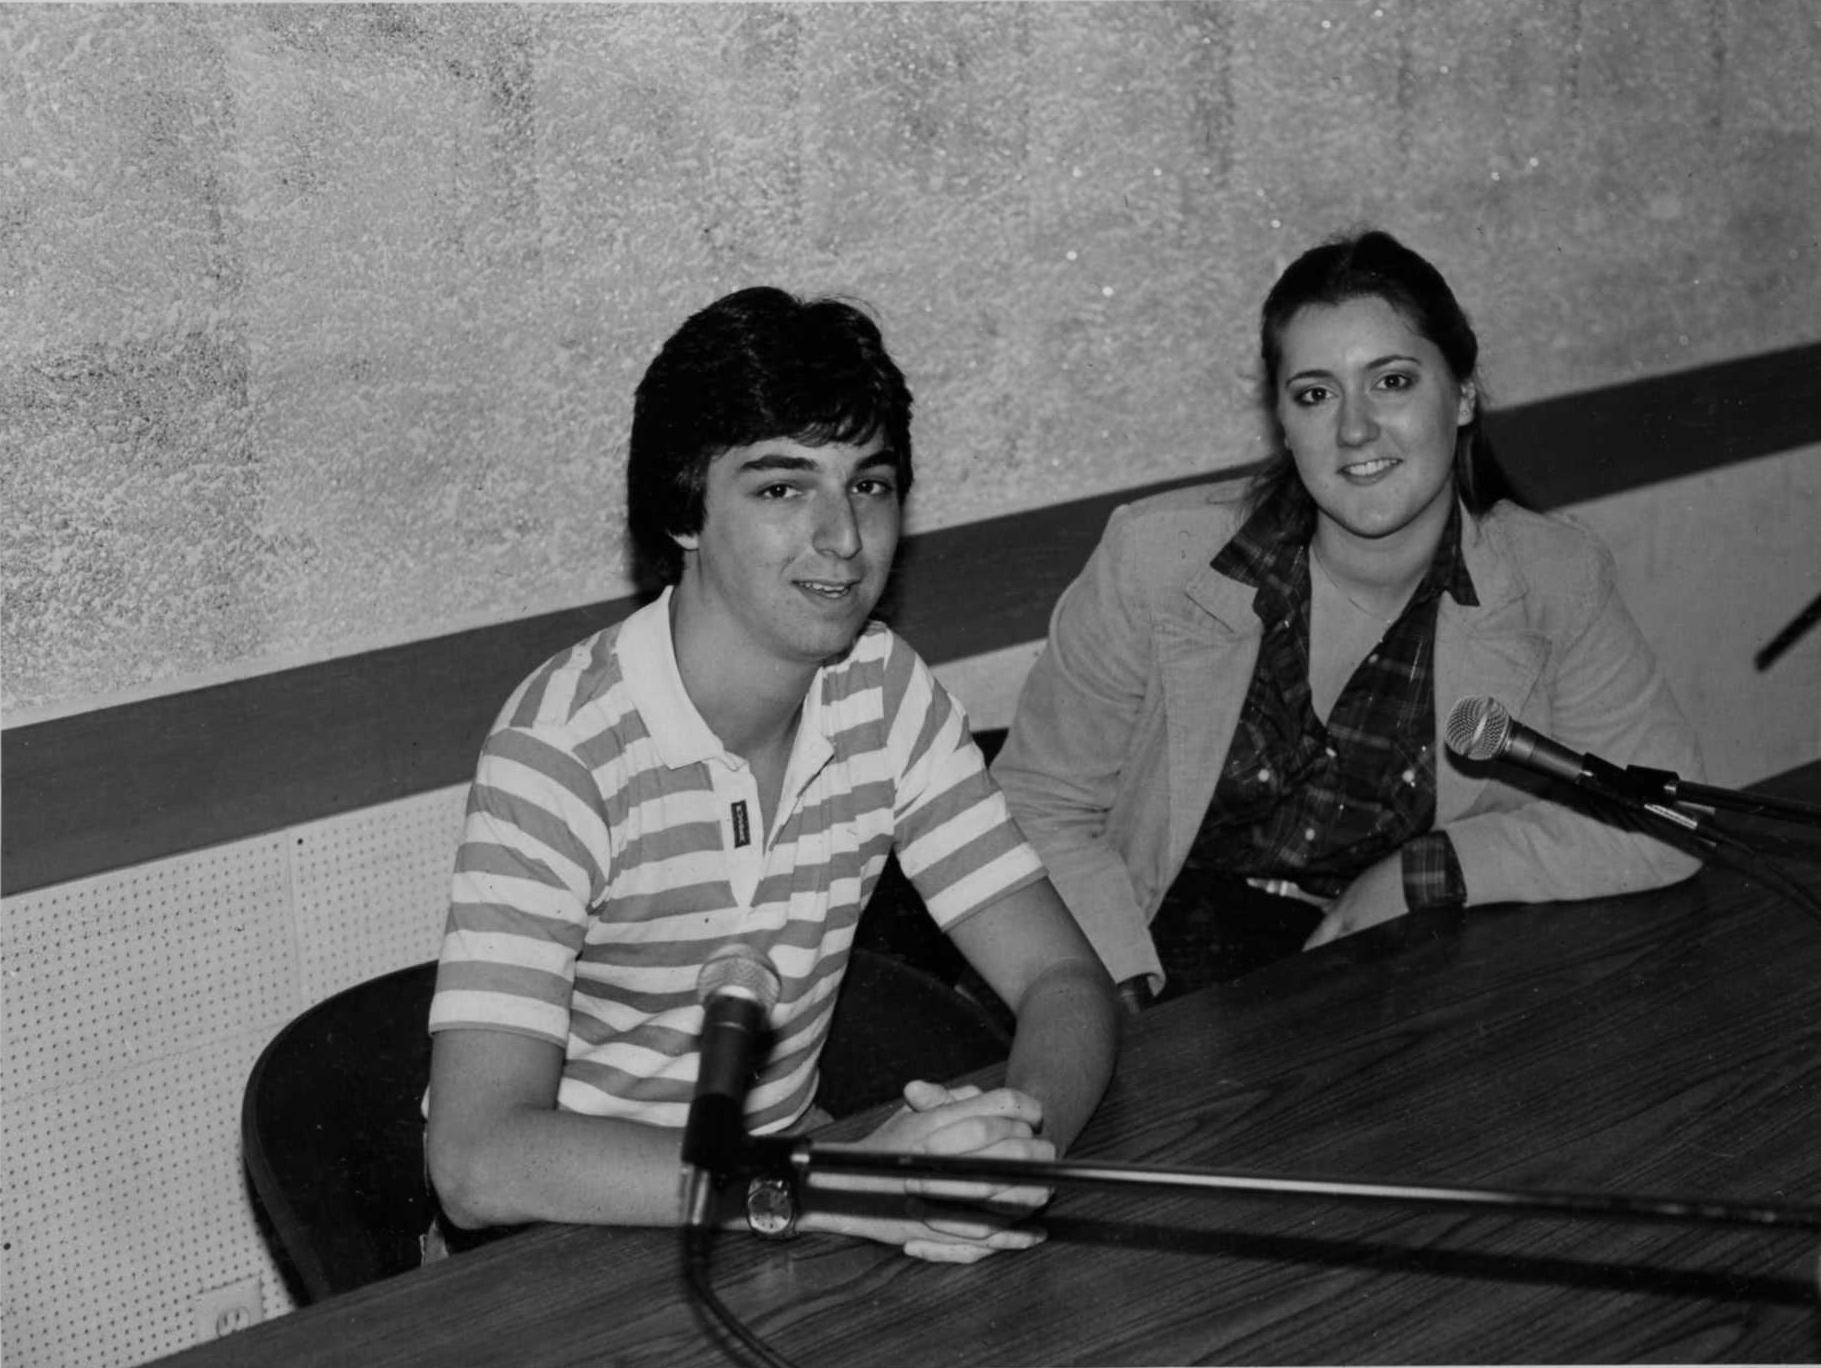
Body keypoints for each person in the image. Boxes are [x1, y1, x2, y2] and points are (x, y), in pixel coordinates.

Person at [425, 286, 1119, 1263]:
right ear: (684, 513)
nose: (842, 537)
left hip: (782, 1210)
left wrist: (1013, 1145)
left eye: (868, 485)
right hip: (562, 1243)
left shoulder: (884, 692)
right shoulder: (561, 749)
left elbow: (1063, 978)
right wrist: (832, 1185)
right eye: (782, 489)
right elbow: (475, 1162)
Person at [993, 229, 1704, 1012]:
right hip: (1149, 955)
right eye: (1316, 394)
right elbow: (1039, 803)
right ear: (1281, 419)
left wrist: (1429, 871)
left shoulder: (1553, 577)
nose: (1355, 429)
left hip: (1385, 968)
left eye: (1392, 382)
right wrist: (1113, 998)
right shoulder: (1157, 559)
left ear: (1464, 394)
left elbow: (1663, 822)